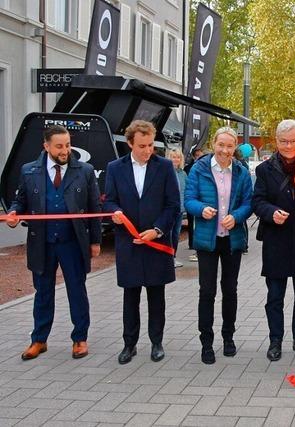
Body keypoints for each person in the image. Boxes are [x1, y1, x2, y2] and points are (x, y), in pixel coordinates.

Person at [6, 125, 101, 360]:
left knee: (77, 291)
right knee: (42, 292)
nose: (65, 150)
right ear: (46, 146)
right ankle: (39, 339)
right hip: (43, 242)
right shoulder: (29, 171)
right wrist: (13, 214)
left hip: (72, 242)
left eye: (68, 145)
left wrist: (95, 241)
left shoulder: (85, 171)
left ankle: (80, 338)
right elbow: (20, 201)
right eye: (59, 146)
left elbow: (94, 208)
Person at [104, 120, 180, 364]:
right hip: (129, 243)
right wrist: (114, 212)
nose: (148, 151)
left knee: (157, 295)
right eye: (142, 146)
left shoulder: (165, 166)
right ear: (129, 144)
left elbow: (173, 205)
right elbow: (109, 201)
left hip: (156, 242)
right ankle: (129, 344)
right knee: (131, 296)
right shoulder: (115, 168)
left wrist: (157, 230)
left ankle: (156, 342)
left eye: (151, 145)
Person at [184, 127, 253, 364]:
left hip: (232, 240)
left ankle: (228, 337)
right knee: (207, 291)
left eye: (230, 146)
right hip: (207, 239)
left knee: (230, 290)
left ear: (235, 148)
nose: (225, 150)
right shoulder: (199, 168)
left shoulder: (241, 172)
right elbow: (189, 199)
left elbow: (248, 202)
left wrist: (237, 216)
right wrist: (201, 209)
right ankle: (206, 342)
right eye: (221, 145)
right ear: (214, 143)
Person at [252, 119, 295, 361]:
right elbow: (257, 201)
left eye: (293, 141)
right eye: (283, 141)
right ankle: (275, 340)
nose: (289, 146)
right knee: (275, 297)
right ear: (276, 141)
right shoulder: (264, 170)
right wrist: (270, 212)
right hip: (276, 239)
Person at [166, 148, 188, 268]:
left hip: (180, 209)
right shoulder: (165, 172)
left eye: (178, 157)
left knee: (175, 234)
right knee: (167, 234)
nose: (176, 159)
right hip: (169, 210)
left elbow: (187, 189)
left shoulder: (183, 173)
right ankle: (167, 258)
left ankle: (173, 257)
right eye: (173, 157)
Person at [185, 147, 205, 262]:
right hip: (194, 204)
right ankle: (193, 245)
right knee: (193, 225)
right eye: (196, 155)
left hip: (202, 204)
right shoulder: (190, 168)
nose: (198, 157)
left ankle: (197, 249)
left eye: (200, 154)